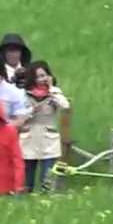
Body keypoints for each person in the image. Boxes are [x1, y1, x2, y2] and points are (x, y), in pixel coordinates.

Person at [20, 61, 71, 193]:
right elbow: (18, 114)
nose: (42, 79)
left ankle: (46, 201)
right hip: (28, 139)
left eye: (44, 75)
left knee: (47, 180)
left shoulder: (54, 93)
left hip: (48, 140)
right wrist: (32, 111)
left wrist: (52, 89)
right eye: (38, 76)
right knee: (27, 181)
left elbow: (65, 106)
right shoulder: (24, 94)